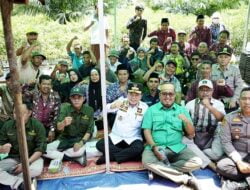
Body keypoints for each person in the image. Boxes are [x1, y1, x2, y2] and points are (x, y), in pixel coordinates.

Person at [142, 82, 202, 190]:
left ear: (175, 95)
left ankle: (160, 171)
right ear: (160, 95)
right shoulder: (151, 110)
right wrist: (154, 147)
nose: (167, 97)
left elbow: (191, 133)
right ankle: (185, 179)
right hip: (156, 147)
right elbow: (147, 130)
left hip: (177, 148)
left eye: (170, 94)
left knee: (197, 162)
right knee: (146, 161)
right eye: (164, 94)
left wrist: (186, 121)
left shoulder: (182, 110)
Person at [96, 83, 148, 164]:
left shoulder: (145, 107)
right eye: (131, 94)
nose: (133, 97)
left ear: (141, 96)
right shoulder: (121, 101)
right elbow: (103, 112)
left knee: (139, 148)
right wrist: (113, 106)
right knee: (100, 144)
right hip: (116, 137)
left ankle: (111, 157)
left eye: (137, 95)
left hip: (133, 138)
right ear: (127, 93)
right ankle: (130, 155)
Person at [0, 101, 46, 190]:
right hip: (13, 159)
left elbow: (40, 149)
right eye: (15, 112)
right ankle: (20, 183)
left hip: (32, 158)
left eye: (21, 113)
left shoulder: (37, 126)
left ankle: (10, 177)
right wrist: (2, 148)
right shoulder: (7, 126)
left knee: (36, 170)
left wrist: (25, 164)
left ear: (29, 113)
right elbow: (1, 143)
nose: (17, 115)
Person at [44, 86, 94, 166]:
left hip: (79, 139)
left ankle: (58, 155)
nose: (76, 100)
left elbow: (89, 130)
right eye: (74, 98)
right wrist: (63, 123)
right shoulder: (65, 109)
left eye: (79, 97)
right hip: (65, 139)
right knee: (43, 150)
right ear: (70, 99)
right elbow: (58, 128)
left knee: (79, 151)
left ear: (84, 98)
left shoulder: (89, 110)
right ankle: (74, 158)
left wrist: (81, 143)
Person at [184, 79, 225, 171]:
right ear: (198, 91)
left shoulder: (218, 104)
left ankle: (198, 154)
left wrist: (209, 106)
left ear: (212, 91)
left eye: (208, 90)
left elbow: (223, 120)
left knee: (217, 154)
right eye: (202, 90)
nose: (205, 93)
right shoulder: (190, 104)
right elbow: (184, 124)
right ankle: (210, 164)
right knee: (182, 140)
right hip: (194, 137)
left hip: (211, 137)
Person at [216, 87, 250, 190]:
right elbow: (226, 142)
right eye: (244, 98)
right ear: (239, 101)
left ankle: (240, 185)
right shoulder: (228, 118)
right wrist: (239, 162)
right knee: (221, 166)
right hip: (237, 155)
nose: (247, 102)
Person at [26, 75, 61, 142]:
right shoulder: (34, 94)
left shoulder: (56, 96)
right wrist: (28, 84)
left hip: (48, 127)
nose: (46, 86)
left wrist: (52, 130)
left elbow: (56, 115)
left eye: (48, 84)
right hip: (34, 127)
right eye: (44, 84)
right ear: (39, 85)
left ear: (51, 86)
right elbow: (21, 93)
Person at [211, 47, 244, 113]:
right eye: (220, 57)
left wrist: (234, 100)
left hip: (230, 101)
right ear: (217, 58)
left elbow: (239, 86)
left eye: (226, 57)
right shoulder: (212, 68)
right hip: (214, 100)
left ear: (230, 58)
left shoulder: (235, 70)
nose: (223, 59)